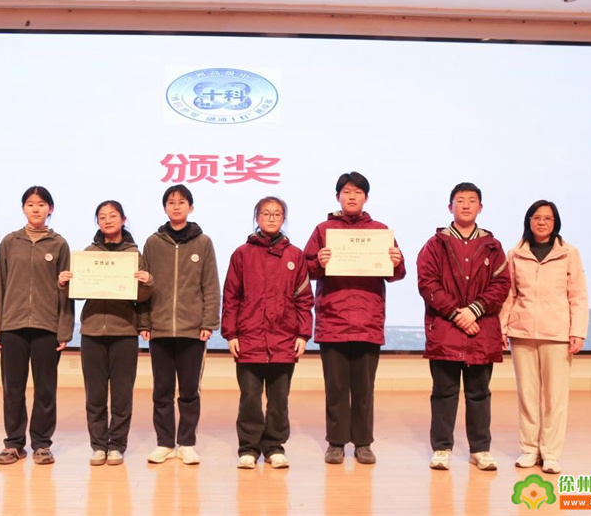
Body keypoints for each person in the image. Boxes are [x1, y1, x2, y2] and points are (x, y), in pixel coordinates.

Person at [303, 172, 406, 465]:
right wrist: (318, 262)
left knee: (363, 389)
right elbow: (305, 269)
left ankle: (363, 443)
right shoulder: (324, 229)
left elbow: (397, 273)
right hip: (333, 320)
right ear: (337, 197)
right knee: (336, 388)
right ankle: (336, 443)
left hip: (367, 320)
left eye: (358, 192)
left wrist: (396, 262)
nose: (352, 196)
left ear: (366, 198)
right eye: (346, 191)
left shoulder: (380, 231)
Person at [416, 182, 510, 472]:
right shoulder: (435, 245)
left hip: (481, 331)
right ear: (450, 207)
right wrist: (458, 314)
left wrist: (475, 310)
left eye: (472, 200)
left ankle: (480, 449)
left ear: (480, 207)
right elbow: (427, 283)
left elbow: (501, 284)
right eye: (460, 200)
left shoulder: (493, 246)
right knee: (443, 392)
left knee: (479, 393)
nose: (466, 205)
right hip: (446, 330)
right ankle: (442, 448)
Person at [58, 200, 153, 466]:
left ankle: (117, 446)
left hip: (124, 331)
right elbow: (76, 293)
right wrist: (65, 283)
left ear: (123, 220)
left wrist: (148, 283)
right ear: (97, 222)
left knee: (122, 394)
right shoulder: (88, 254)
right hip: (92, 332)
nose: (108, 220)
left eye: (113, 216)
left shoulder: (134, 254)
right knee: (95, 394)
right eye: (102, 217)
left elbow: (142, 297)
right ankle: (99, 445)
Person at [222, 197, 314, 470]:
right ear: (257, 218)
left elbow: (304, 299)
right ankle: (248, 448)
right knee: (250, 399)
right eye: (265, 213)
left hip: (284, 340)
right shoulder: (242, 254)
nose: (271, 218)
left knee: (279, 401)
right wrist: (231, 334)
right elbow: (231, 297)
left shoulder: (295, 255)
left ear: (283, 219)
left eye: (277, 214)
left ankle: (274, 447)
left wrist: (302, 334)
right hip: (248, 339)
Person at [500, 200, 588, 475]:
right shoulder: (515, 254)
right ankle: (529, 449)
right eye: (536, 217)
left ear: (555, 223)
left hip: (557, 333)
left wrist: (577, 331)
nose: (541, 222)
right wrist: (502, 327)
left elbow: (578, 295)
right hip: (522, 332)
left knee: (555, 397)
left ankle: (551, 453)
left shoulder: (569, 254)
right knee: (527, 395)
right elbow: (509, 294)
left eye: (547, 218)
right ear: (528, 221)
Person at [0, 186, 74, 466]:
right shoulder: (10, 242)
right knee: (12, 388)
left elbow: (67, 291)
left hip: (46, 327)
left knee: (45, 389)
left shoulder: (59, 244)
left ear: (51, 209)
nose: (36, 209)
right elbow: (0, 283)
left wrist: (65, 329)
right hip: (12, 325)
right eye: (30, 204)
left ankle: (41, 444)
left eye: (41, 204)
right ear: (23, 208)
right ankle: (14, 444)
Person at [137, 184, 221, 465]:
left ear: (191, 207)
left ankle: (186, 443)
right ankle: (164, 443)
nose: (176, 206)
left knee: (189, 391)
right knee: (161, 390)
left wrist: (209, 321)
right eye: (171, 202)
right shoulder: (153, 243)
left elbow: (211, 285)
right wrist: (144, 321)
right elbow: (144, 285)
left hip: (192, 329)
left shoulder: (203, 242)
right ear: (165, 208)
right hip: (159, 328)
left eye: (182, 201)